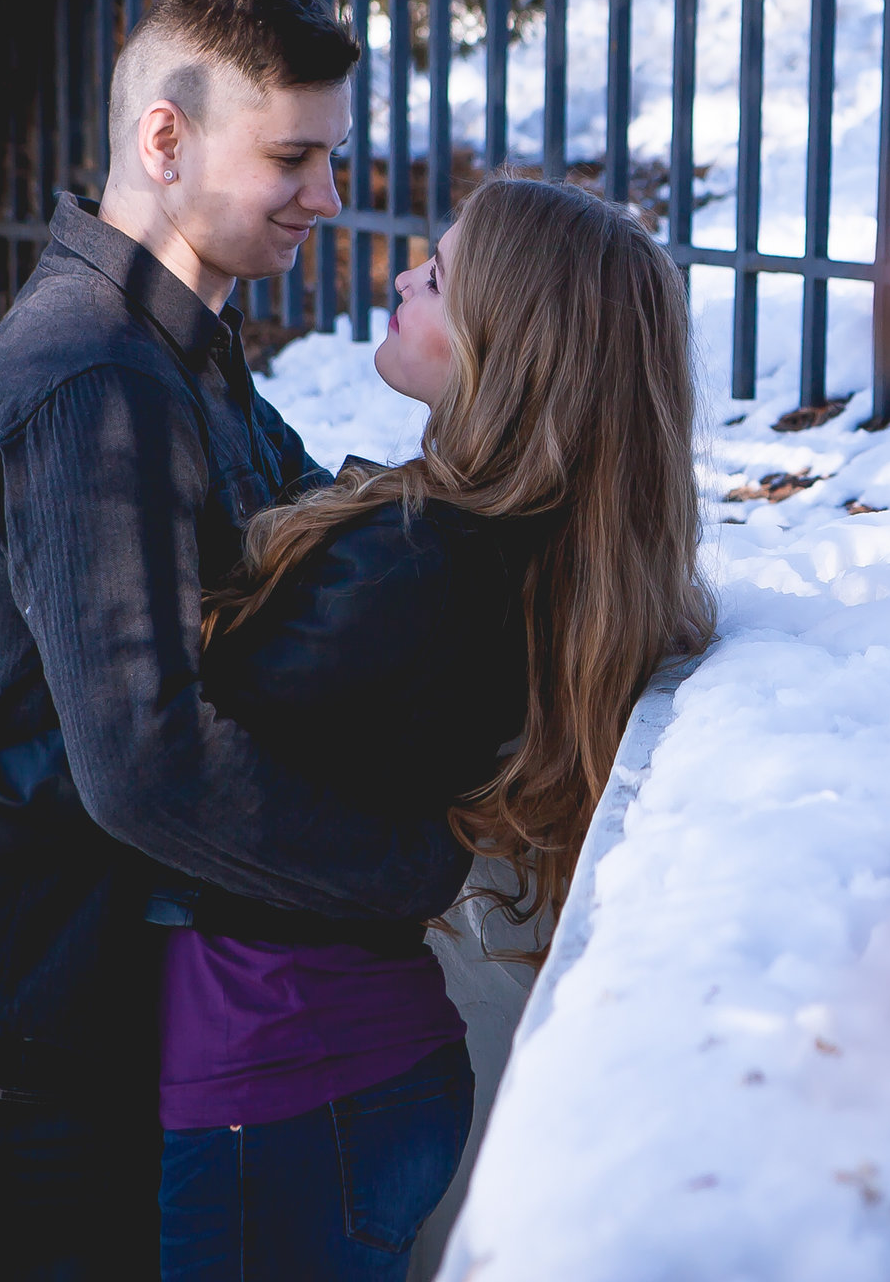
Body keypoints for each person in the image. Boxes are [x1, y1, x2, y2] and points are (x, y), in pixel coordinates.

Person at [0, 0, 471, 1279]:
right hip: (6, 1033)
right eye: (294, 155)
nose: (328, 197)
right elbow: (147, 763)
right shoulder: (96, 378)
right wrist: (415, 870)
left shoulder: (183, 356)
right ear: (164, 138)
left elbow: (317, 576)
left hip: (77, 1023)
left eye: (334, 156)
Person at [151, 175, 712, 1278]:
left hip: (284, 1083)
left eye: (440, 274)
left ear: (510, 348)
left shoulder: (415, 567)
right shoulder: (494, 549)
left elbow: (161, 742)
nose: (405, 275)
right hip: (328, 1074)